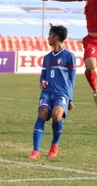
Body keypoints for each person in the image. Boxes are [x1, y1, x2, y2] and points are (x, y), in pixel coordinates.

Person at [28, 24, 76, 159]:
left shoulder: (69, 56)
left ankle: (54, 145)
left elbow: (72, 78)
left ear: (56, 37)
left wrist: (70, 99)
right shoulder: (47, 57)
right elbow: (43, 74)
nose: (47, 38)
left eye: (50, 35)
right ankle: (35, 150)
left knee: (56, 115)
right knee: (42, 113)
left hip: (62, 93)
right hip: (47, 92)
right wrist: (42, 80)